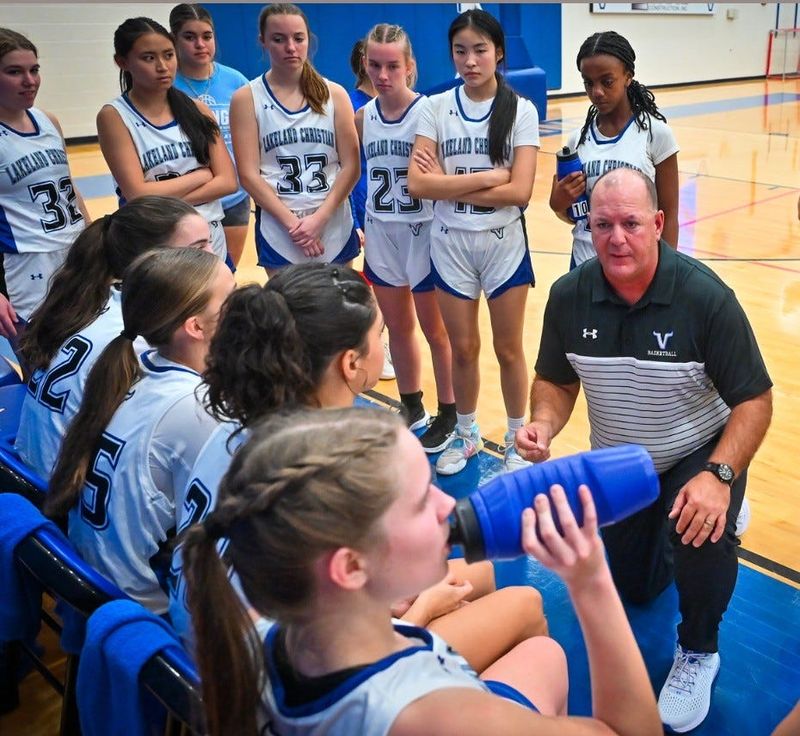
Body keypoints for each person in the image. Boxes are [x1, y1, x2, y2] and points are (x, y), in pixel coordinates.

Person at [181, 406, 661, 736]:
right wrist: (591, 583)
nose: (447, 504)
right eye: (419, 501)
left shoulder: (257, 626)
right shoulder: (434, 716)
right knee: (545, 649)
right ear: (349, 568)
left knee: (544, 655)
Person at [168, 263, 547, 674]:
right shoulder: (324, 470)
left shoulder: (237, 427)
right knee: (525, 606)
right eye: (379, 334)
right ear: (351, 363)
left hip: (203, 642)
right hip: (269, 681)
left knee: (479, 572)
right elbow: (328, 662)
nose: (382, 342)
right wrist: (422, 609)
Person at [516, 167, 773, 733]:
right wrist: (543, 422)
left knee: (699, 528)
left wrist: (720, 475)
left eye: (631, 223)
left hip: (696, 452)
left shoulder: (706, 298)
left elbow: (755, 400)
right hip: (623, 463)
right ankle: (691, 518)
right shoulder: (569, 295)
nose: (616, 238)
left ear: (657, 224)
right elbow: (556, 381)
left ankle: (700, 650)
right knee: (635, 586)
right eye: (603, 224)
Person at [43, 248, 235, 614]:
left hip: (90, 577)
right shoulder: (195, 409)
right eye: (231, 298)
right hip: (139, 607)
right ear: (195, 327)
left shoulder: (138, 362)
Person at [408, 9, 539, 476]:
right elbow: (418, 186)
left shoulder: (520, 109)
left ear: (498, 52)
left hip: (503, 244)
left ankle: (515, 439)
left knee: (508, 349)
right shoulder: (434, 107)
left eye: (480, 50)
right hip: (450, 244)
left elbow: (520, 192)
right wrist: (488, 176)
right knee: (463, 349)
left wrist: (449, 180)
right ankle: (466, 433)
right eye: (460, 51)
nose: (470, 60)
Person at [16, 195, 212, 480]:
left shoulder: (89, 302)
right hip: (63, 496)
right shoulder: (144, 337)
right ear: (151, 260)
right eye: (197, 249)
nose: (213, 255)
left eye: (208, 242)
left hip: (32, 472)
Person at [357, 24, 456, 452]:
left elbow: (447, 177)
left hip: (424, 232)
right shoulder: (361, 117)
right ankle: (412, 405)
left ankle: (450, 411)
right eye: (375, 65)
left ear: (409, 67)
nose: (383, 74)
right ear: (366, 65)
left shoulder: (429, 113)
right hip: (381, 232)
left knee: (436, 330)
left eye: (392, 65)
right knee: (398, 328)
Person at [229, 3, 360, 273]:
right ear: (262, 42)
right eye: (279, 39)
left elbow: (351, 166)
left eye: (298, 38)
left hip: (333, 221)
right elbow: (248, 175)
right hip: (280, 227)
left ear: (308, 40)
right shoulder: (246, 98)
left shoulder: (334, 94)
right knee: (286, 312)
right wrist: (294, 226)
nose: (290, 47)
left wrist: (318, 220)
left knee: (340, 313)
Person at [96, 17, 236, 263]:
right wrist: (202, 176)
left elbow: (227, 181)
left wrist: (161, 198)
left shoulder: (198, 110)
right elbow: (138, 195)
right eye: (148, 58)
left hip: (209, 236)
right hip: (156, 240)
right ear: (122, 62)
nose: (162, 66)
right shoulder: (114, 117)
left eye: (168, 55)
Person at [549, 31, 679, 268]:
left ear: (627, 76)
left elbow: (669, 215)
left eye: (607, 82)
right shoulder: (577, 140)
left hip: (636, 265)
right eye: (588, 82)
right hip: (584, 264)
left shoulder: (656, 134)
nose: (597, 91)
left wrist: (667, 273)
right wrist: (558, 203)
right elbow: (572, 214)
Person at [0, 28, 88, 346]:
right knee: (41, 364)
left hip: (74, 254)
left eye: (34, 69)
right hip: (25, 266)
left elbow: (69, 187)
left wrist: (94, 242)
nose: (30, 80)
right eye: (14, 72)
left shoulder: (48, 119)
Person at [170, 3, 251, 266]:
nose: (200, 44)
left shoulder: (235, 80)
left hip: (233, 196)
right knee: (194, 278)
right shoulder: (168, 85)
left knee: (227, 271)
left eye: (206, 36)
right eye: (190, 37)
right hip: (191, 199)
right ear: (174, 39)